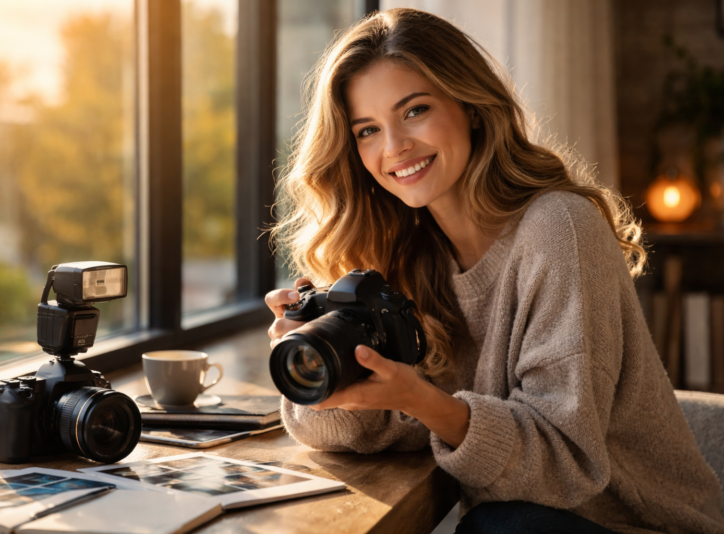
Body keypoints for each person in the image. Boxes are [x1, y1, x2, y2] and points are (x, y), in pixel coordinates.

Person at [265, 8, 724, 533]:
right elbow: (368, 433)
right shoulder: (406, 255)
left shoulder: (558, 229)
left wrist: (421, 400)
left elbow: (567, 465)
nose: (394, 148)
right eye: (368, 130)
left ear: (472, 107)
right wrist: (321, 363)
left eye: (414, 111)